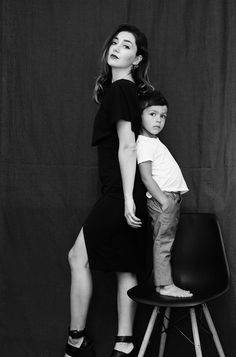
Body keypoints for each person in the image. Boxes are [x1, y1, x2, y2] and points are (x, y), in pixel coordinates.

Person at [65, 24, 154, 357]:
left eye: (126, 45)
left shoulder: (121, 91)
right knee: (125, 266)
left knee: (78, 258)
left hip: (120, 194)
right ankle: (125, 345)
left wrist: (127, 199)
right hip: (125, 194)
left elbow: (128, 146)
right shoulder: (125, 90)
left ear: (137, 58)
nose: (117, 47)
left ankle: (76, 342)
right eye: (114, 42)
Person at [136, 90, 193, 298]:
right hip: (164, 200)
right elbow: (146, 177)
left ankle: (163, 284)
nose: (159, 120)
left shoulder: (153, 142)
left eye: (163, 116)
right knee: (163, 242)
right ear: (139, 115)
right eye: (152, 114)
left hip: (170, 199)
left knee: (165, 240)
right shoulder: (143, 144)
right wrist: (163, 201)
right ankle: (165, 285)